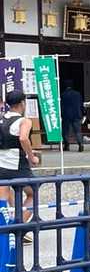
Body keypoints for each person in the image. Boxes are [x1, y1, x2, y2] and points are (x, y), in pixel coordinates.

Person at [0, 90, 40, 230]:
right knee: (33, 193)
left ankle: (5, 229)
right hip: (17, 164)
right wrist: (31, 156)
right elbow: (23, 138)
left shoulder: (1, 118)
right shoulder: (24, 121)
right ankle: (17, 227)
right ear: (22, 103)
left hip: (1, 164)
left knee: (3, 199)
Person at [61, 81, 85, 152]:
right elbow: (81, 104)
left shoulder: (63, 95)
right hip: (77, 114)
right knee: (78, 131)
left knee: (65, 131)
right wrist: (83, 113)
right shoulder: (78, 94)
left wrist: (61, 114)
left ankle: (67, 145)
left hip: (66, 115)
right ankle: (80, 144)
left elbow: (62, 106)